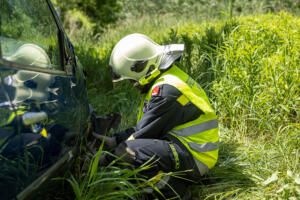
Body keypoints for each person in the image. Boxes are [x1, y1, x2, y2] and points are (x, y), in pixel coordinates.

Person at [97, 33, 219, 199]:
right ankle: (179, 181)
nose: (133, 85)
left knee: (128, 153)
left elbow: (141, 137)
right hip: (189, 149)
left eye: (132, 81)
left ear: (145, 68)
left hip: (195, 156)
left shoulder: (166, 92)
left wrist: (104, 159)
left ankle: (175, 193)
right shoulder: (165, 81)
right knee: (131, 148)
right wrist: (114, 139)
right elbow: (147, 128)